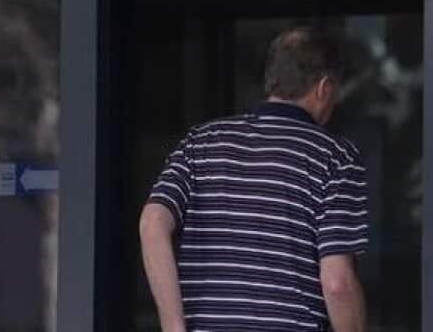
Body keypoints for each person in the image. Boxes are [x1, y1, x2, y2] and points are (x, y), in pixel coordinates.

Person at [139, 27, 369, 332]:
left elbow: (152, 223)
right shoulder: (335, 156)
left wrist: (173, 328)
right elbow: (338, 283)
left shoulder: (202, 142)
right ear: (324, 88)